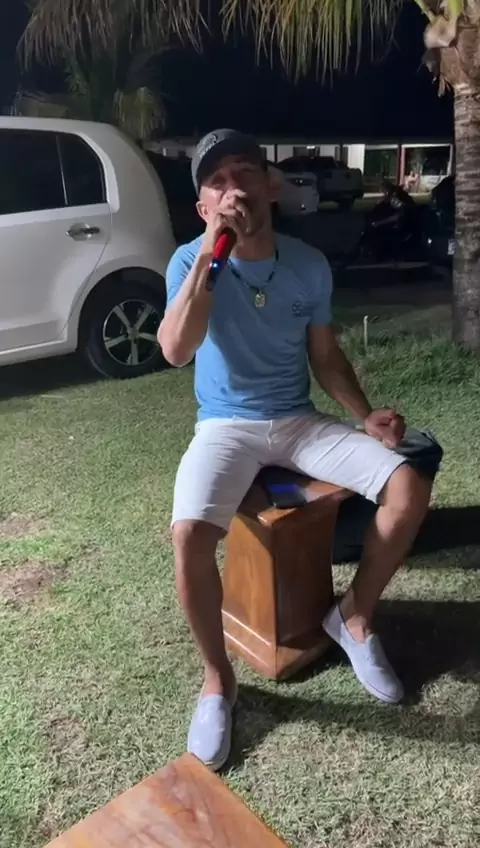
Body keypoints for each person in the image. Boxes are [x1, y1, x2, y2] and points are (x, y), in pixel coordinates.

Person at [158, 130, 432, 772]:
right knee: (190, 535)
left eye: (244, 173)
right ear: (203, 205)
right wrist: (212, 255)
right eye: (217, 182)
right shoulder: (190, 260)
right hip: (224, 425)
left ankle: (353, 617)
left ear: (270, 185)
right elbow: (175, 349)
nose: (233, 189)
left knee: (407, 486)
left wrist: (365, 416)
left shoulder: (307, 263)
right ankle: (218, 681)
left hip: (297, 421)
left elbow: (325, 356)